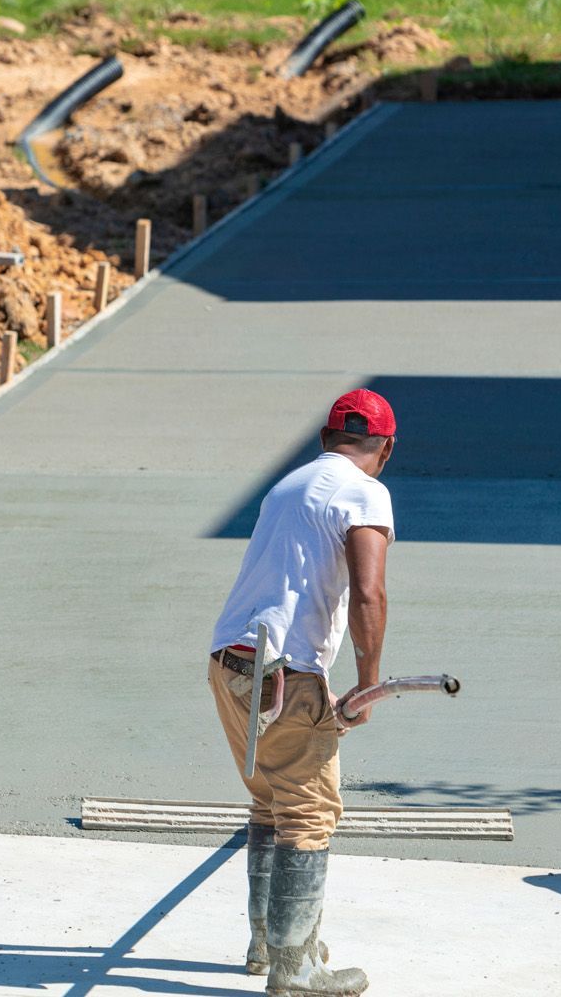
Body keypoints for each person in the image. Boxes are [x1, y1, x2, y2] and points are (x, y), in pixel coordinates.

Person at [207, 388, 396, 997]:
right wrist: (368, 685)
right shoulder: (367, 493)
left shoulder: (285, 486)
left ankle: (267, 944)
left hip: (231, 662)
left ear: (324, 439)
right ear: (384, 449)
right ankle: (295, 970)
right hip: (286, 675)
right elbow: (369, 593)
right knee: (310, 813)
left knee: (271, 801)